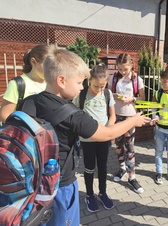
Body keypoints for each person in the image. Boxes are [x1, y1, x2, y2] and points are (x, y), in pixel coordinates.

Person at [18, 45, 150, 226]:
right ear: (62, 80)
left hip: (32, 181)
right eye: (80, 82)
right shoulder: (72, 114)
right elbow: (107, 133)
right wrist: (133, 120)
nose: (82, 87)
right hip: (60, 185)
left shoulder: (28, 102)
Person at [73, 63, 116, 213]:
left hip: (103, 139)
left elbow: (112, 115)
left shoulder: (107, 94)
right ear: (89, 79)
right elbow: (75, 116)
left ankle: (102, 193)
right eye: (96, 86)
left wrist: (109, 129)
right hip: (87, 140)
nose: (99, 89)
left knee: (103, 167)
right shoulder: (81, 95)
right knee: (89, 167)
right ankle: (89, 195)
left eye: (103, 86)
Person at [108, 53, 146, 194]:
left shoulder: (137, 80)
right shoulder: (113, 78)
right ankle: (122, 168)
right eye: (120, 69)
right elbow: (108, 94)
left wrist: (131, 99)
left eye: (126, 69)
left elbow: (142, 98)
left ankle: (132, 177)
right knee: (118, 145)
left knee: (130, 146)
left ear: (131, 66)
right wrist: (115, 96)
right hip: (117, 115)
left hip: (131, 116)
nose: (123, 72)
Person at [0, 44, 49, 122]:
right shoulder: (18, 84)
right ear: (33, 62)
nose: (51, 69)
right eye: (47, 65)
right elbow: (4, 115)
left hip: (48, 132)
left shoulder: (52, 83)